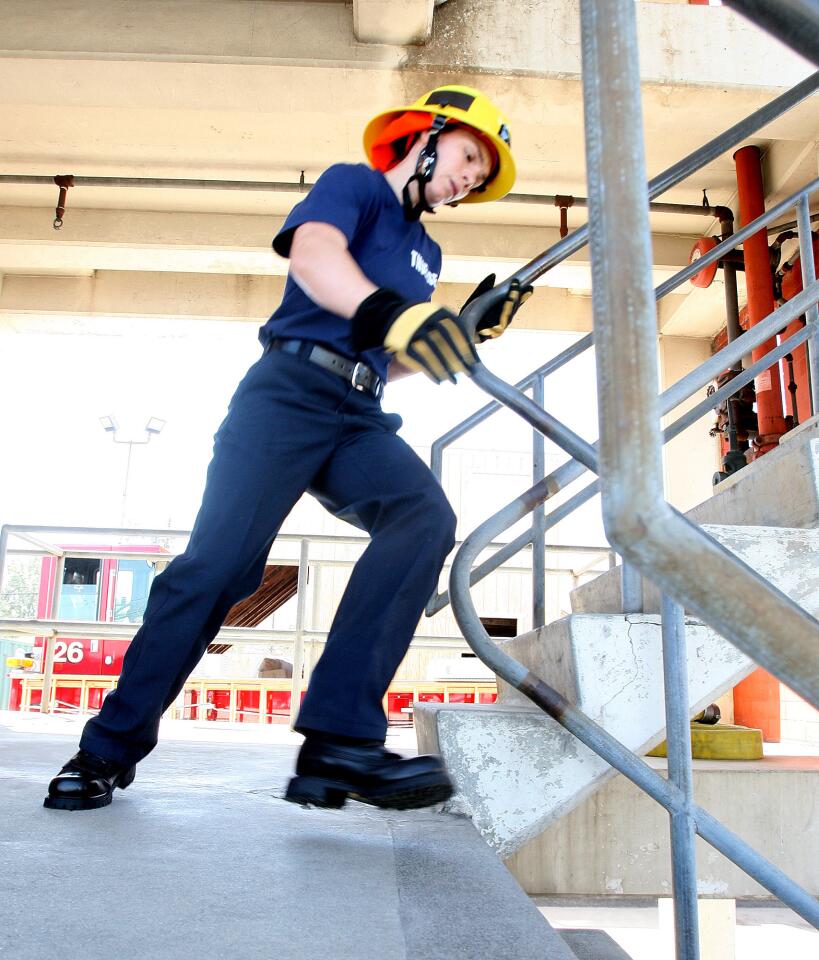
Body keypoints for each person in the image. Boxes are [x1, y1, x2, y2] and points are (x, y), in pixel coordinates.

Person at [44, 84, 529, 813]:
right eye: (467, 157)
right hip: (287, 393)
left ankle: (339, 742)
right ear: (424, 136)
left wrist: (459, 329)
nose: (468, 179)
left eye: (479, 177)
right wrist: (393, 314)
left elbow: (390, 354)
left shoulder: (426, 250)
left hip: (359, 410)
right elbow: (313, 256)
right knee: (215, 572)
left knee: (420, 516)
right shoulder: (353, 187)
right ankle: (103, 752)